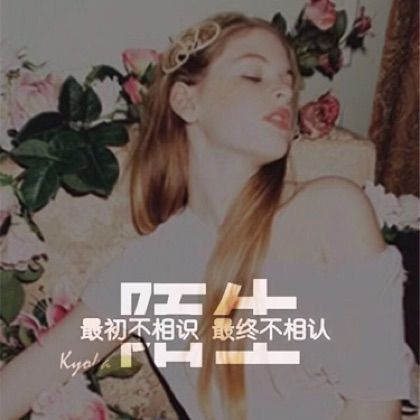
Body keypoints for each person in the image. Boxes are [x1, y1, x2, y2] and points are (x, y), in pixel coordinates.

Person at [0, 11, 416, 420]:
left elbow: (376, 403)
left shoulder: (331, 212)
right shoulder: (147, 271)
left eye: (289, 81)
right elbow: (38, 372)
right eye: (253, 75)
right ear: (186, 100)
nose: (283, 92)